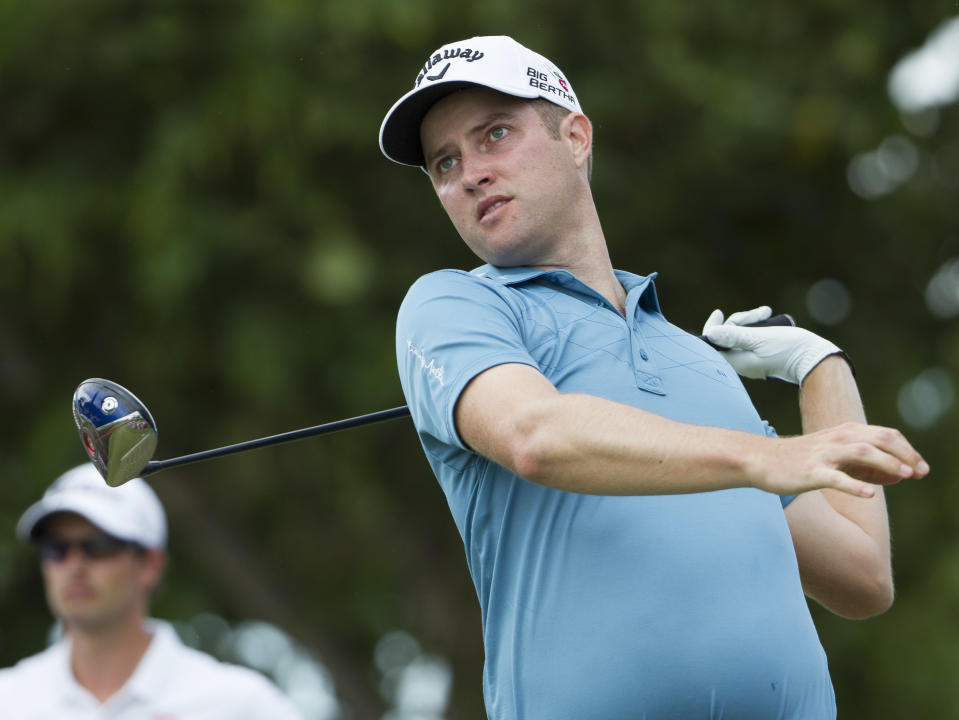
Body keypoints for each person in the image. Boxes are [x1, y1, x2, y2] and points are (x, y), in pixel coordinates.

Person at [378, 35, 930, 719]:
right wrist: (766, 454)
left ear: (575, 136)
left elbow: (860, 577)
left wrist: (818, 365)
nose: (469, 173)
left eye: (495, 134)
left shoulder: (698, 362)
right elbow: (534, 434)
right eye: (444, 162)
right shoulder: (454, 303)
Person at [0, 463, 304, 720]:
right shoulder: (8, 700)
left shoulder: (240, 704)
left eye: (99, 546)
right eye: (56, 549)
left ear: (150, 564)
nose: (75, 566)